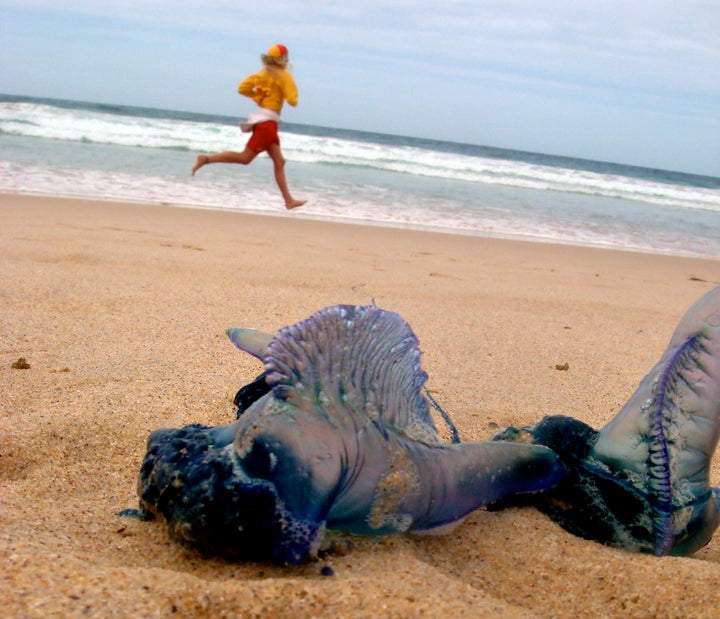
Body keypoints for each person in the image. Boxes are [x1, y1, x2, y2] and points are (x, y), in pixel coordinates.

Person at [192, 44, 306, 210]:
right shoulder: (284, 76)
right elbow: (293, 101)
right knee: (245, 158)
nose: (288, 60)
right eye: (287, 57)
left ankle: (289, 200)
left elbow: (242, 88)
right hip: (267, 124)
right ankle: (206, 159)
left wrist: (258, 96)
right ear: (282, 59)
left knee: (279, 161)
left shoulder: (261, 74)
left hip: (267, 122)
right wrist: (286, 92)